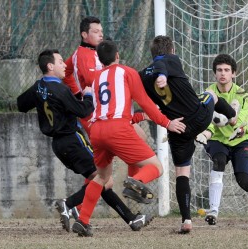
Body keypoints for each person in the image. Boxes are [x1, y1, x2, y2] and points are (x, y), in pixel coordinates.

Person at [17, 49, 152, 233]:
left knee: (99, 183)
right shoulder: (60, 88)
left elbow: (20, 104)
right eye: (60, 62)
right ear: (50, 66)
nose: (65, 65)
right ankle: (68, 204)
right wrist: (88, 94)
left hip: (58, 145)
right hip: (73, 139)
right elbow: (83, 111)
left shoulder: (39, 86)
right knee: (104, 180)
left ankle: (131, 220)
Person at [71, 40, 186, 237]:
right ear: (117, 56)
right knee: (156, 167)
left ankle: (82, 220)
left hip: (97, 130)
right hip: (117, 128)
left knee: (102, 177)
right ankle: (135, 181)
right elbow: (145, 103)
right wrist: (167, 123)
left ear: (99, 59)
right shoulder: (126, 72)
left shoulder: (96, 78)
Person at [138, 35, 237, 233]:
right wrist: (163, 76)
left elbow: (148, 97)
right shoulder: (170, 60)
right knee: (211, 95)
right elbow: (161, 65)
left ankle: (186, 221)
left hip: (176, 127)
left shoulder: (141, 76)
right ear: (172, 50)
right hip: (198, 117)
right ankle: (232, 117)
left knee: (182, 173)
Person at [58, 16, 149, 230]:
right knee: (106, 175)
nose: (101, 34)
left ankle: (76, 205)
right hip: (96, 118)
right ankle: (134, 185)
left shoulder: (85, 54)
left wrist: (76, 91)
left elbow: (68, 72)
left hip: (103, 115)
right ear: (84, 35)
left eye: (101, 30)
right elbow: (94, 80)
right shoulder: (86, 55)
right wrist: (81, 94)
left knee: (102, 174)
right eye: (96, 31)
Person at [196, 54, 248, 227]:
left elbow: (243, 117)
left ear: (234, 73)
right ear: (214, 73)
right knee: (218, 161)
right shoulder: (208, 94)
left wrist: (238, 127)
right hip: (218, 140)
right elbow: (207, 120)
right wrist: (206, 134)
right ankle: (213, 212)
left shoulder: (242, 94)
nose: (222, 74)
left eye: (226, 70)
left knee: (243, 180)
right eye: (219, 70)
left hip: (241, 141)